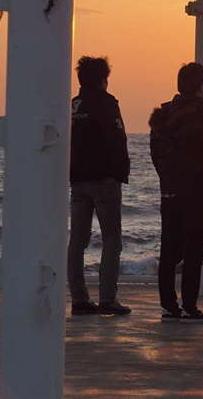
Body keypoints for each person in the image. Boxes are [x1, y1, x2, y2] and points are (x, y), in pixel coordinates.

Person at [149, 63, 203, 323]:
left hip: (170, 192)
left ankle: (170, 306)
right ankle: (190, 305)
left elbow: (156, 155)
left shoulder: (163, 115)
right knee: (194, 252)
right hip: (199, 195)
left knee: (170, 250)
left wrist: (168, 181)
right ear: (202, 85)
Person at [68, 56, 131, 316]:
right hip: (104, 180)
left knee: (78, 241)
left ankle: (80, 298)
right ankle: (107, 298)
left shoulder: (73, 105)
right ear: (104, 78)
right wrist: (119, 173)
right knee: (111, 240)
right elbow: (116, 140)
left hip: (78, 180)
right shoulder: (107, 104)